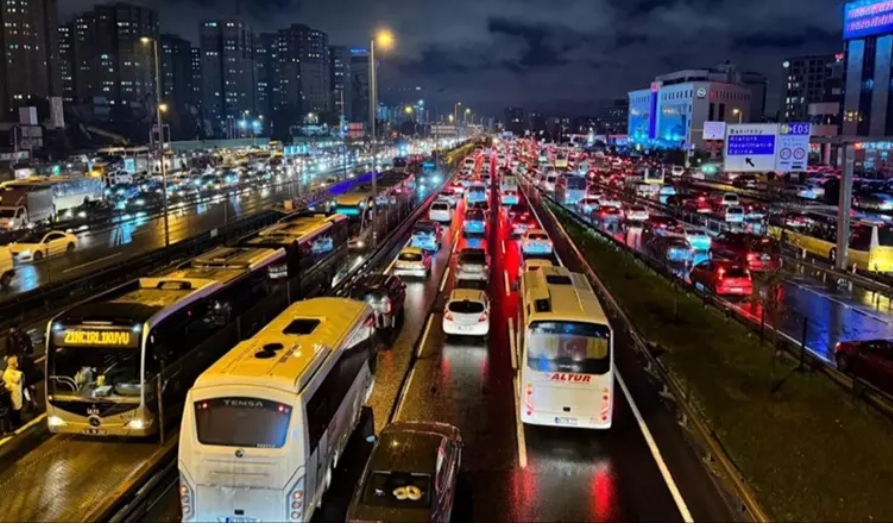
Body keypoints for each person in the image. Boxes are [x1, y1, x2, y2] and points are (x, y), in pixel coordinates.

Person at [3, 355, 23, 429]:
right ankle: (17, 422)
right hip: (16, 393)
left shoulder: (6, 373)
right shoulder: (18, 374)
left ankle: (15, 422)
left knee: (14, 409)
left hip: (12, 393)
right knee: (16, 410)